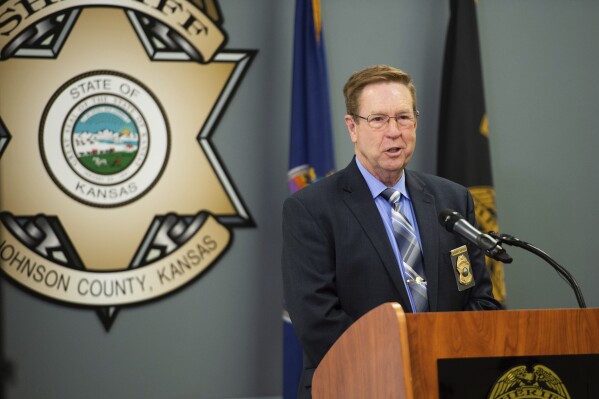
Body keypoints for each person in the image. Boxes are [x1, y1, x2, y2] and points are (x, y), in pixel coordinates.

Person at [281, 64, 501, 398]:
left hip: (448, 383)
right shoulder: (311, 209)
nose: (394, 131)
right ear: (352, 127)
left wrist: (440, 359)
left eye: (403, 117)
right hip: (354, 384)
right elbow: (318, 321)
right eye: (379, 119)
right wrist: (407, 362)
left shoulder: (451, 199)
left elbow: (481, 301)